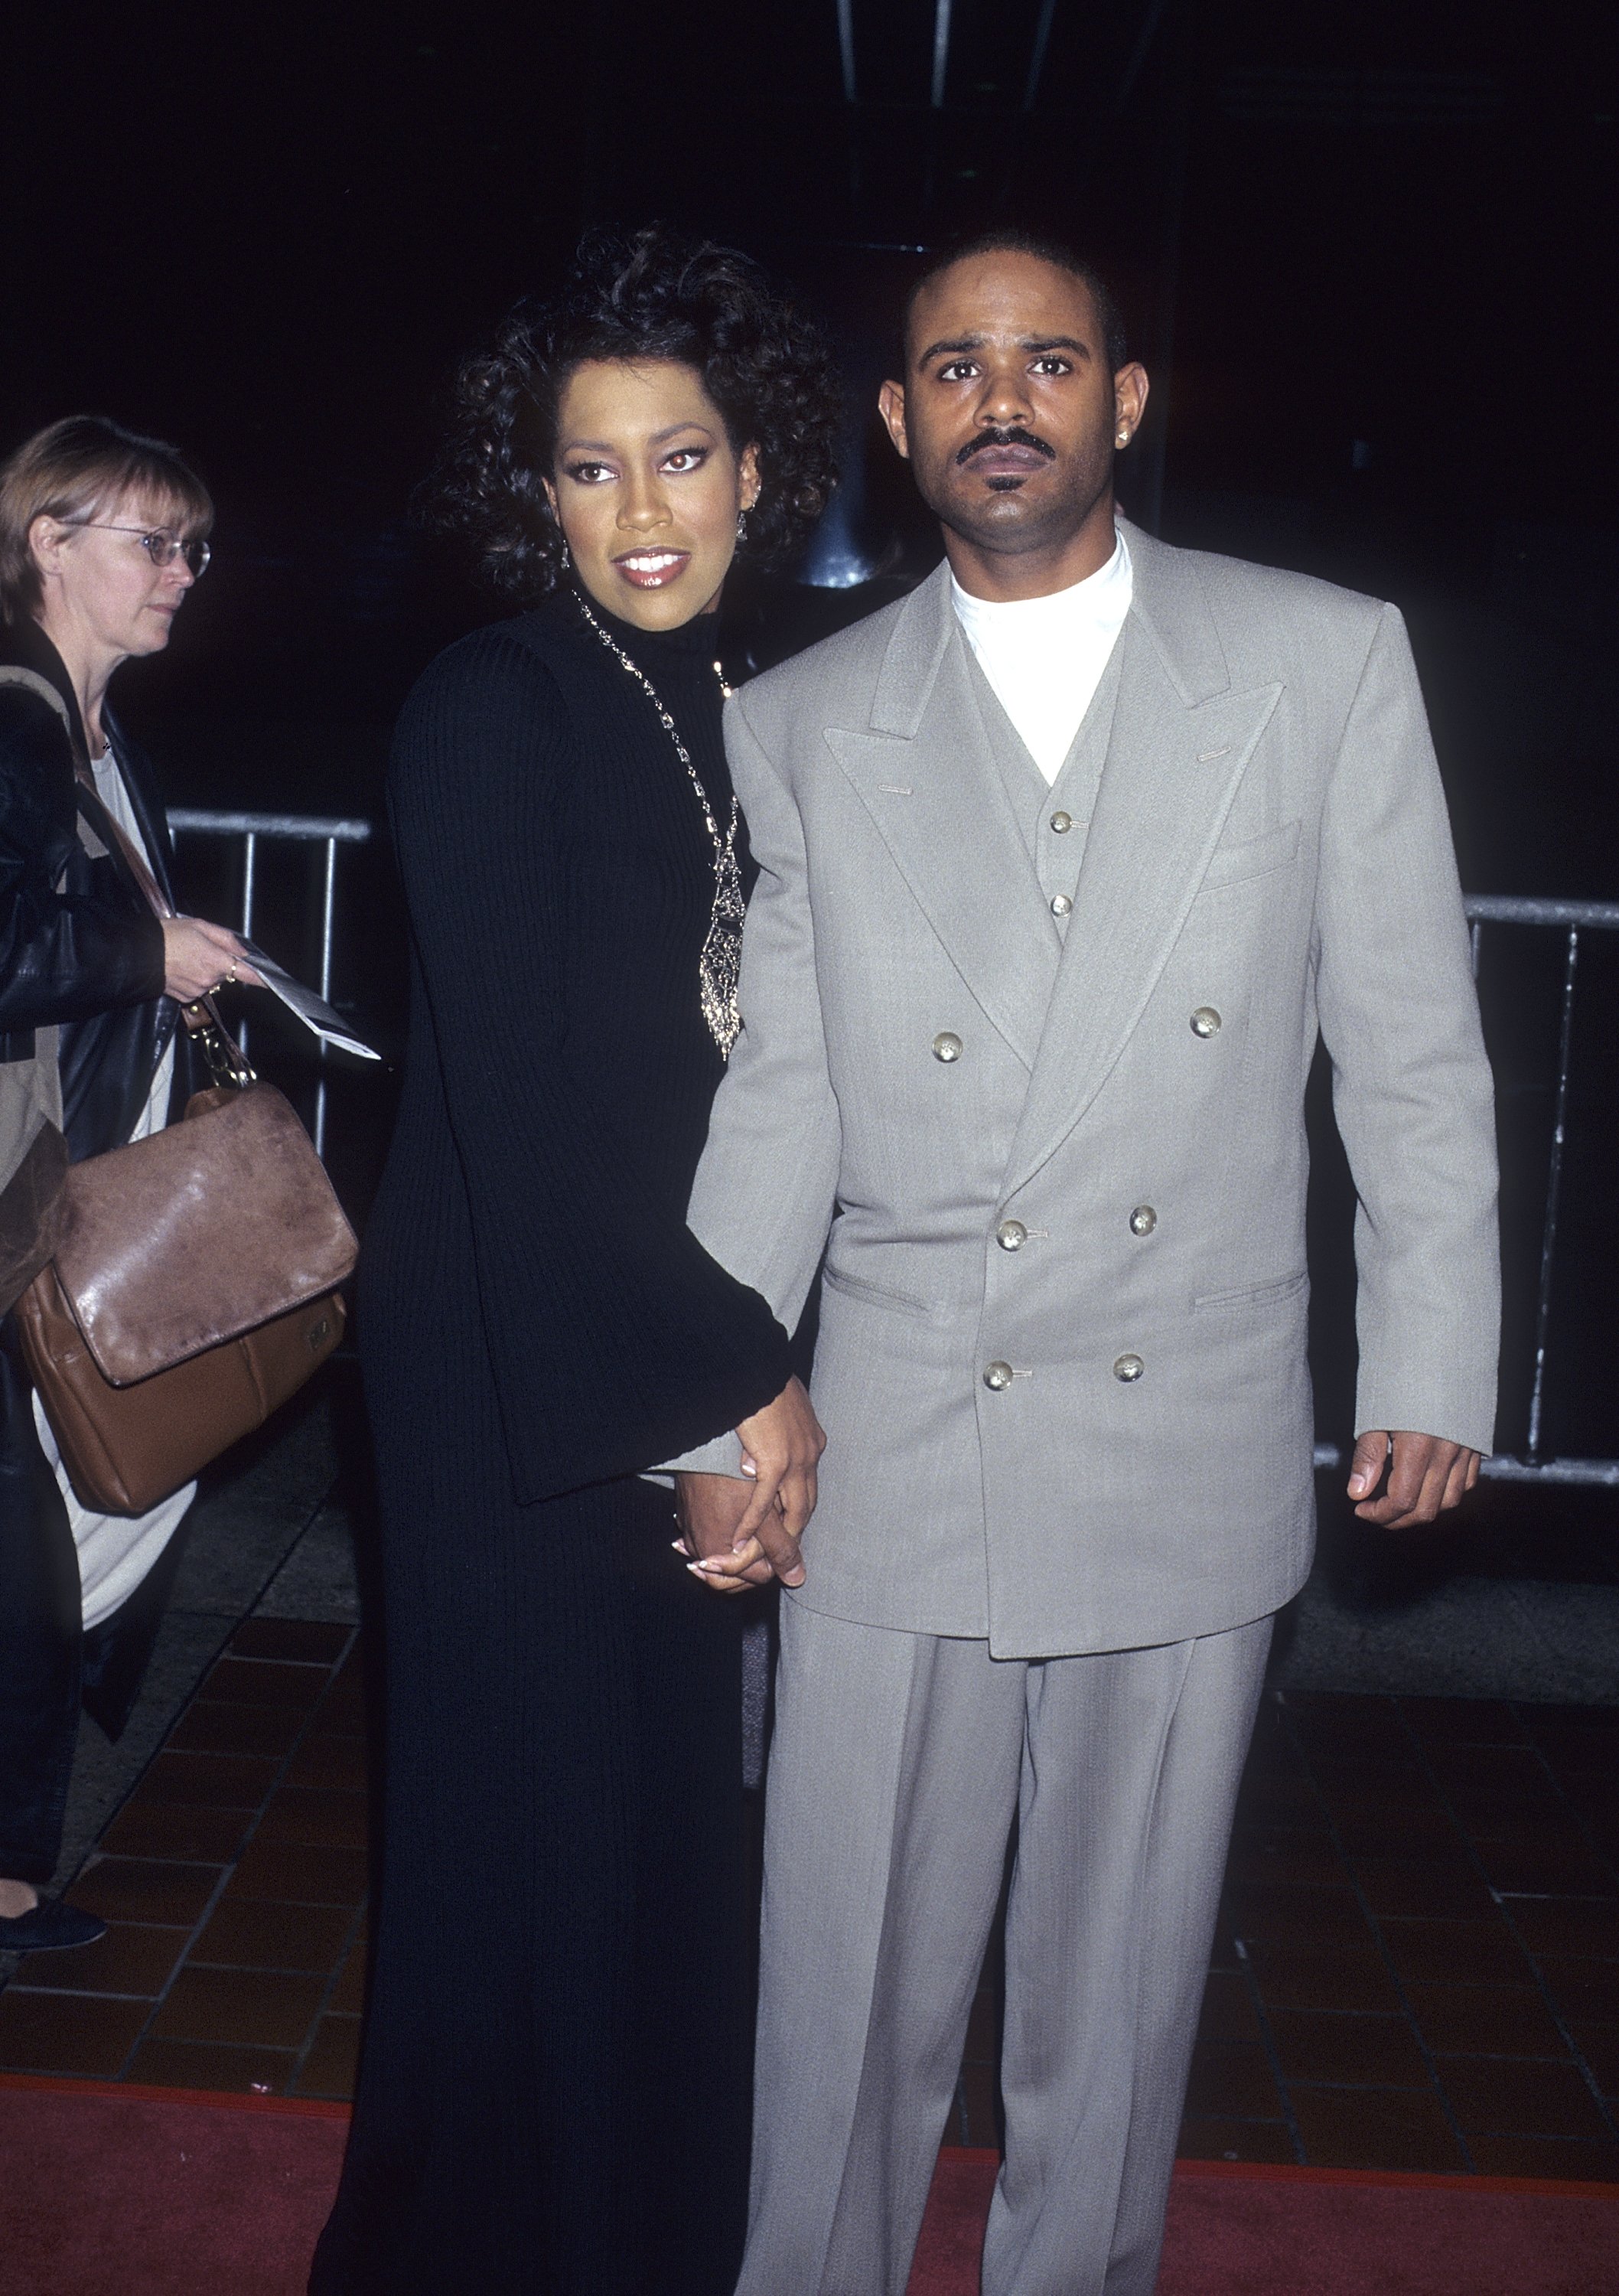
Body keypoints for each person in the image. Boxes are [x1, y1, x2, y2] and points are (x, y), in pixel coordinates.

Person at [673, 230, 1500, 2295]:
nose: (1001, 399)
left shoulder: (1318, 661)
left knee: (1114, 2008)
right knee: (839, 1979)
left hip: (1181, 1417)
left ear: (1126, 402)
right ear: (895, 422)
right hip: (895, 1431)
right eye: (952, 368)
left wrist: (1432, 1350)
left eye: (1048, 361)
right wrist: (706, 1396)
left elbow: (1406, 1048)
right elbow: (780, 1094)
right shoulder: (801, 717)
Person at [309, 226, 838, 2296]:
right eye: (590, 469)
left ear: (754, 467)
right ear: (529, 493)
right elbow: (529, 1107)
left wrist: (756, 1344)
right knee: (536, 1839)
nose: (641, 511)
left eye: (679, 458)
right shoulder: (492, 697)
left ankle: (635, 2234)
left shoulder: (737, 700)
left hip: (661, 1314)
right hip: (519, 1360)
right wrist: (729, 1382)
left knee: (649, 1838)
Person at [0, 416, 256, 1953]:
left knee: (101, 1499)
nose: (180, 576)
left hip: (79, 1191)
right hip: (21, 1203)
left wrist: (177, 970)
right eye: (151, 544)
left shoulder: (100, 741)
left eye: (192, 549)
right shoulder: (18, 720)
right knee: (37, 1532)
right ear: (48, 543)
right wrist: (141, 951)